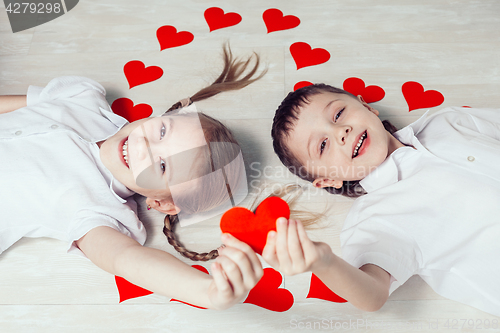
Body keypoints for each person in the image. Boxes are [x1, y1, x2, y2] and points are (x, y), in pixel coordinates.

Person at [0, 44, 266, 310]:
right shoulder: (84, 97)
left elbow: (126, 259)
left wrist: (207, 292)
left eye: (162, 166)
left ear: (161, 204)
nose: (145, 146)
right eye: (162, 131)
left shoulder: (98, 209)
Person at [266, 83, 500, 316]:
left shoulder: (448, 121)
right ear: (328, 180)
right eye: (323, 145)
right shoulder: (375, 218)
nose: (340, 131)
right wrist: (324, 262)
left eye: (338, 114)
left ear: (366, 106)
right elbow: (373, 294)